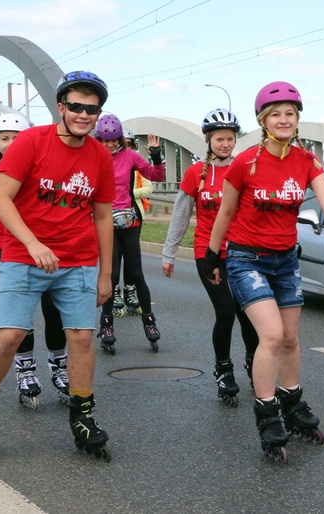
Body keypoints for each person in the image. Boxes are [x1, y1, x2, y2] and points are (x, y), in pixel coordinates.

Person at [0, 70, 115, 462]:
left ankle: (83, 416)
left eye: (91, 109)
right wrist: (32, 242)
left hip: (77, 259)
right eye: (76, 106)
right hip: (24, 256)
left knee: (81, 338)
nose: (83, 115)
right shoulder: (30, 142)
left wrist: (106, 274)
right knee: (10, 335)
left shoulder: (98, 156)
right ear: (61, 107)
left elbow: (102, 218)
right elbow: (1, 199)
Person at [204, 81, 324, 462]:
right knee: (270, 336)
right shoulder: (245, 163)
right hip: (245, 258)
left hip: (286, 260)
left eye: (290, 113)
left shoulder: (306, 160)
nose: (284, 119)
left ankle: (293, 403)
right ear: (263, 120)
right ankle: (268, 414)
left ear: (297, 119)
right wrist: (210, 255)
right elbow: (225, 212)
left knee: (289, 338)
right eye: (276, 114)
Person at [162, 108, 260, 407]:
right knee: (226, 311)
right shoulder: (195, 173)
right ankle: (223, 369)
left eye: (230, 138)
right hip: (210, 254)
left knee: (250, 314)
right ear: (209, 140)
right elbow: (180, 215)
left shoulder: (245, 168)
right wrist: (169, 253)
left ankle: (254, 364)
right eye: (220, 139)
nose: (226, 144)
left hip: (242, 252)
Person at [0, 112, 69, 409]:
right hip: (12, 249)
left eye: (17, 138)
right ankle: (25, 370)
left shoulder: (42, 169)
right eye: (5, 138)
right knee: (21, 319)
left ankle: (59, 366)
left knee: (54, 311)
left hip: (48, 247)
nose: (11, 143)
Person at [94, 114, 165, 354]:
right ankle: (106, 324)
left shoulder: (130, 156)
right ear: (98, 139)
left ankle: (149, 321)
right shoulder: (91, 157)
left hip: (129, 223)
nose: (111, 145)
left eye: (115, 140)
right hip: (104, 225)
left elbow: (157, 176)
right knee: (111, 276)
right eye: (106, 141)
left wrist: (155, 155)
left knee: (136, 274)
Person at [111, 127, 153, 317]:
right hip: (112, 216)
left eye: (129, 145)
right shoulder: (112, 162)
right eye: (123, 144)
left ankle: (130, 290)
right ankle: (116, 292)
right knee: (114, 257)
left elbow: (148, 187)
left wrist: (129, 193)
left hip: (133, 214)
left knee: (132, 260)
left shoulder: (136, 164)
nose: (124, 148)